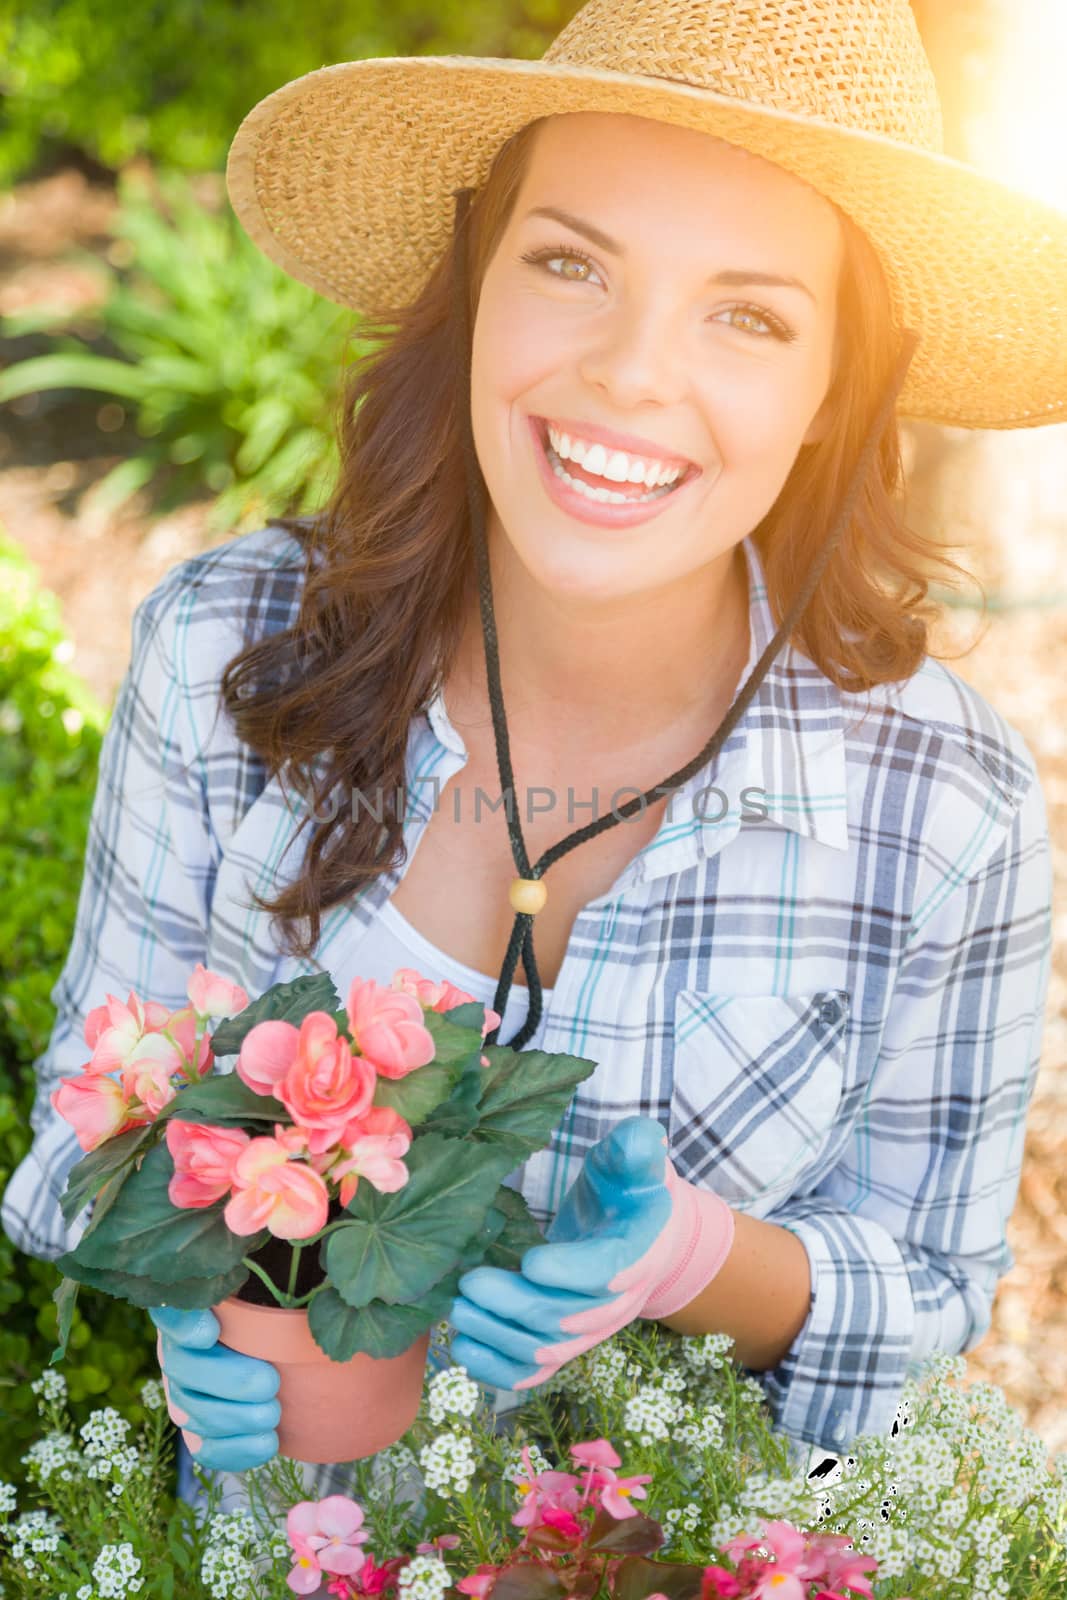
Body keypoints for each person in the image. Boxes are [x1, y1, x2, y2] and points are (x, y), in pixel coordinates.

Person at [4, 0, 1062, 1502]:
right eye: (571, 263)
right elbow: (81, 1116)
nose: (632, 374)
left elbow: (933, 1285)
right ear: (476, 286)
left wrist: (698, 1257)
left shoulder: (941, 801)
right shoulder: (226, 647)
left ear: (836, 385)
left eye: (748, 313)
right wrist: (187, 1277)